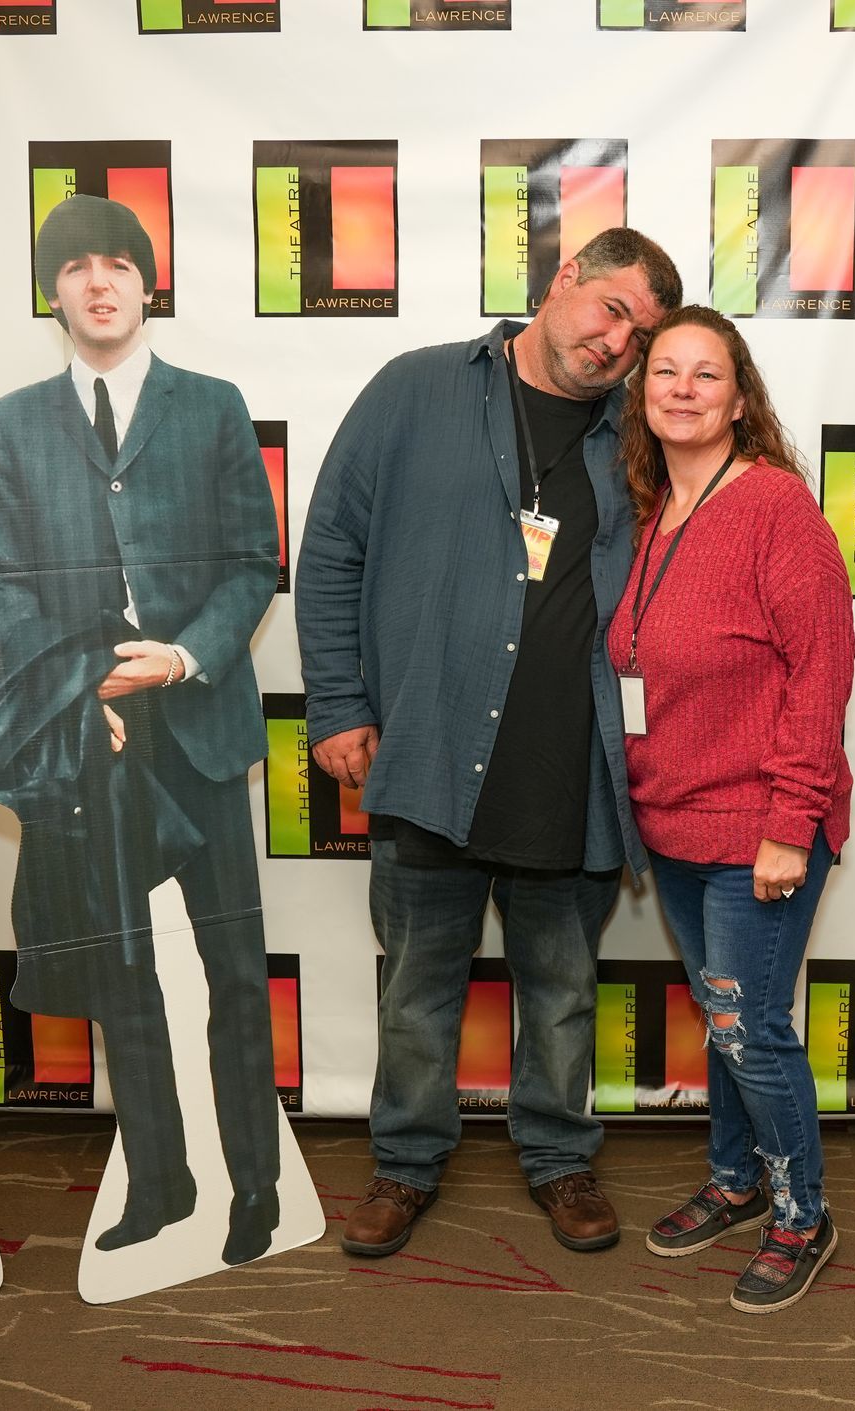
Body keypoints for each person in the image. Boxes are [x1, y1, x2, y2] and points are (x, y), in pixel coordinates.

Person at [297, 228, 681, 1257]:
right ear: (564, 281)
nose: (616, 344)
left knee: (560, 987)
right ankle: (404, 1164)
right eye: (612, 311)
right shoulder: (415, 387)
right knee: (419, 985)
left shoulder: (638, 434)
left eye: (639, 336)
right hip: (427, 754)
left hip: (570, 766)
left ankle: (560, 1158)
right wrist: (335, 703)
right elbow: (332, 543)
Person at [0, 195, 283, 1267]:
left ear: (148, 284)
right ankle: (160, 1183)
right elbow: (2, 585)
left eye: (118, 264)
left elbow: (252, 564)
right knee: (126, 973)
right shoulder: (10, 424)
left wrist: (184, 655)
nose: (98, 282)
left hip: (196, 722)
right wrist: (79, 688)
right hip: (89, 736)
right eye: (75, 267)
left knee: (237, 969)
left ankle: (255, 1188)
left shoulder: (215, 405)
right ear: (52, 291)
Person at [606, 306, 854, 1313]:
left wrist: (791, 822)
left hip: (760, 827)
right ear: (644, 393)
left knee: (753, 1027)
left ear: (739, 399)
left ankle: (803, 1215)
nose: (683, 389)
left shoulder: (776, 508)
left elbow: (822, 669)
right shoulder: (647, 509)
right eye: (666, 371)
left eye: (707, 374)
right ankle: (737, 1181)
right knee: (725, 1021)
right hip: (675, 821)